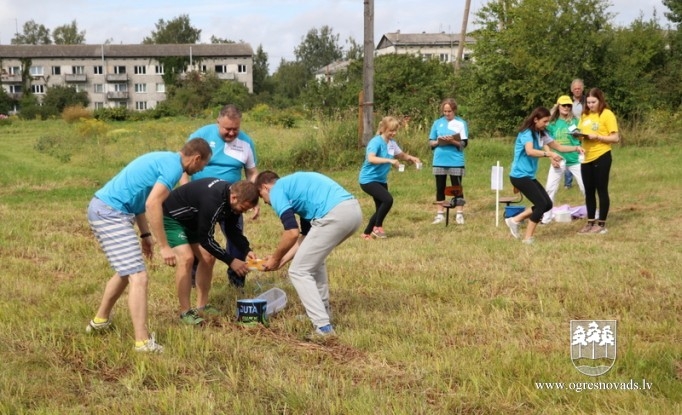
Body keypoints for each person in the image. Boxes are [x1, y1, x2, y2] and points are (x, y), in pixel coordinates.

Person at [85, 139, 212, 352]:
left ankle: (100, 321)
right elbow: (153, 204)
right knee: (139, 276)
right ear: (196, 158)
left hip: (110, 210)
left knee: (126, 272)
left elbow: (140, 199)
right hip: (110, 213)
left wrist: (145, 234)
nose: (200, 170)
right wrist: (164, 246)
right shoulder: (173, 168)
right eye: (202, 165)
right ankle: (142, 342)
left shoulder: (166, 160)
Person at [255, 171, 363, 337]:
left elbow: (291, 232)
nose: (267, 203)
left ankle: (323, 328)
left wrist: (276, 258)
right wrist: (280, 261)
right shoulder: (297, 190)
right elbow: (304, 239)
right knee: (313, 262)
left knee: (299, 271)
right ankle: (323, 313)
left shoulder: (276, 190)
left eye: (263, 198)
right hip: (352, 212)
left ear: (264, 187)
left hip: (335, 215)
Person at [162, 179, 260, 325]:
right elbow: (205, 239)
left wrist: (246, 249)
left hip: (193, 220)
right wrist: (231, 260)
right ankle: (185, 312)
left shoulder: (231, 200)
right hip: (173, 218)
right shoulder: (213, 201)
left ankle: (202, 306)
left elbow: (232, 230)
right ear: (234, 197)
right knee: (187, 258)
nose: (243, 212)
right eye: (242, 208)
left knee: (208, 258)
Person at [184, 104, 259, 288]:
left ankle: (236, 280)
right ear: (218, 122)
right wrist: (185, 191)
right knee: (198, 239)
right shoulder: (200, 137)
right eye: (227, 129)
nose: (232, 133)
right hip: (200, 200)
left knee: (235, 237)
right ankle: (194, 279)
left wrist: (254, 197)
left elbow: (252, 172)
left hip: (233, 201)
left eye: (236, 129)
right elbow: (184, 166)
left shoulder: (246, 142)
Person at [504, 107, 583, 244]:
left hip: (528, 176)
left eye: (548, 121)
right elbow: (529, 151)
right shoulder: (526, 133)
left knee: (547, 204)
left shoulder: (542, 133)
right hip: (519, 176)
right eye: (544, 121)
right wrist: (549, 154)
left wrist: (576, 148)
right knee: (541, 204)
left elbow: (559, 147)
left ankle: (515, 220)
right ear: (536, 119)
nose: (547, 124)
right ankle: (528, 238)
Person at [358, 116, 421, 239]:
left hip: (381, 180)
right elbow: (371, 158)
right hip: (368, 180)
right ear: (383, 129)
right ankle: (376, 228)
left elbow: (400, 155)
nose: (394, 133)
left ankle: (367, 234)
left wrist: (412, 158)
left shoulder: (392, 143)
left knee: (380, 207)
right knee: (388, 200)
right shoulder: (375, 142)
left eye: (395, 130)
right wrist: (390, 161)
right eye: (391, 130)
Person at [576, 88, 620, 234]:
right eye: (588, 102)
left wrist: (598, 137)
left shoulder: (607, 114)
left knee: (601, 189)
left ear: (600, 100)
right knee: (588, 191)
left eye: (593, 102)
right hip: (586, 157)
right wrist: (578, 136)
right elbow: (582, 132)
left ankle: (601, 224)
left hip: (602, 155)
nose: (590, 105)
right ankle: (590, 222)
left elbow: (615, 138)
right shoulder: (584, 115)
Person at [541, 95, 585, 224]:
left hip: (575, 159)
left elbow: (582, 140)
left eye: (569, 105)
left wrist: (580, 136)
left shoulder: (576, 121)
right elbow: (546, 142)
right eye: (563, 105)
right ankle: (546, 218)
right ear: (558, 106)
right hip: (558, 160)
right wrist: (550, 157)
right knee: (550, 188)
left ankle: (593, 215)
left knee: (585, 187)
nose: (566, 108)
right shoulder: (551, 124)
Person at [428, 98, 469, 225]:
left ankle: (459, 214)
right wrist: (438, 141)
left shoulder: (461, 123)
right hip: (439, 159)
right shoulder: (437, 123)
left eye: (449, 111)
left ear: (454, 110)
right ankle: (440, 214)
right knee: (440, 187)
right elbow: (431, 141)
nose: (447, 114)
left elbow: (464, 143)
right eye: (445, 111)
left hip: (455, 160)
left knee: (457, 188)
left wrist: (452, 141)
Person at [564, 78, 587, 189]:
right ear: (571, 90)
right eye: (575, 89)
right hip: (571, 130)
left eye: (579, 88)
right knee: (569, 154)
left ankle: (583, 179)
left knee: (582, 154)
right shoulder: (568, 103)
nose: (577, 90)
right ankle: (568, 183)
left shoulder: (587, 102)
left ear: (582, 89)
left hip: (583, 130)